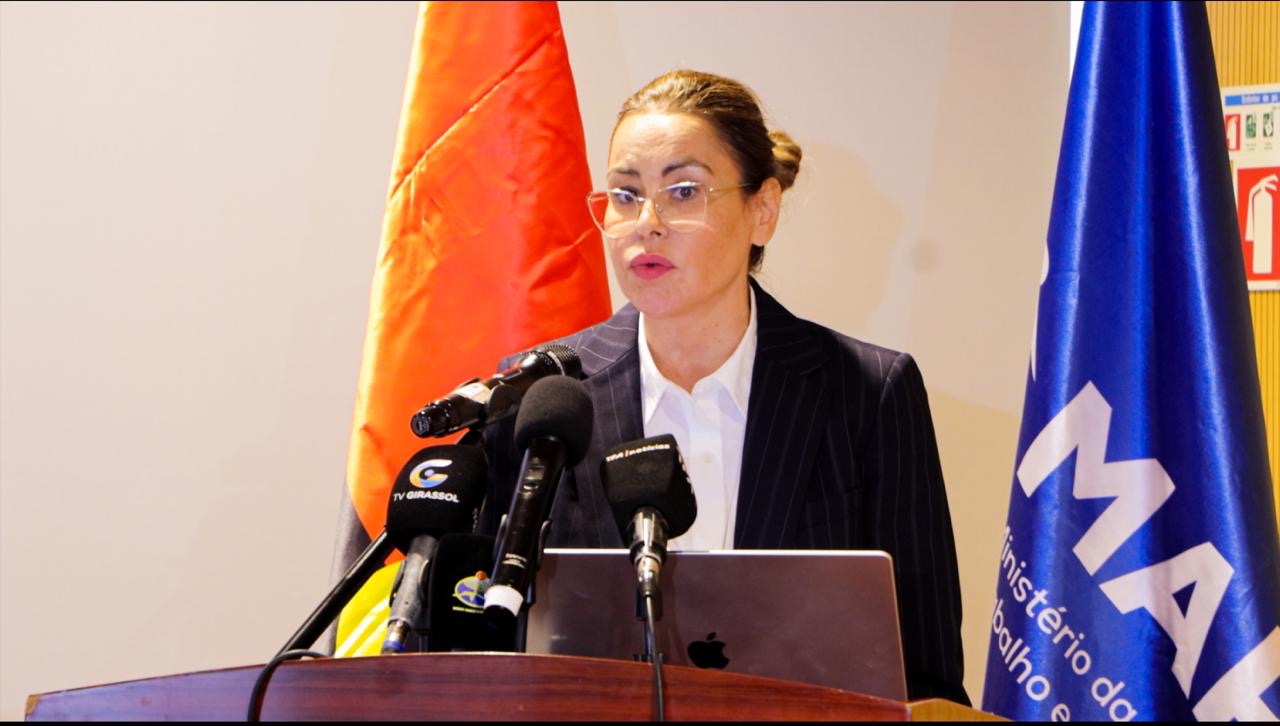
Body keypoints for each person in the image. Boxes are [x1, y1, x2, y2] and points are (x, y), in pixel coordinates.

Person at [480, 69, 969, 705]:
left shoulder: (867, 394)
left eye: (683, 191)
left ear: (762, 210)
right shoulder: (543, 398)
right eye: (625, 195)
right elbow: (483, 657)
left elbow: (925, 676)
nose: (647, 223)